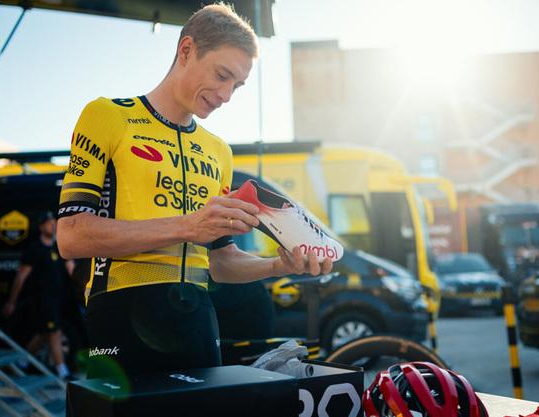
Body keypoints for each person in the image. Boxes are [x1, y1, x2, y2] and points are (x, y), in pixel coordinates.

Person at [56, 3, 333, 380]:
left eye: (237, 85)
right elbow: (71, 236)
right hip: (122, 315)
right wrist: (187, 226)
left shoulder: (219, 150)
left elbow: (219, 262)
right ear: (186, 50)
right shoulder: (108, 116)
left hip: (199, 320)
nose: (227, 95)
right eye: (222, 75)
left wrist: (277, 266)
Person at [3, 211, 74, 380]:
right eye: (49, 223)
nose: (53, 225)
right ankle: (63, 372)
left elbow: (71, 269)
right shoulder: (34, 249)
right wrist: (11, 302)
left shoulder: (58, 248)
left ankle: (21, 362)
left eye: (54, 223)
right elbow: (21, 276)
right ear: (41, 227)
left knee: (44, 334)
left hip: (57, 300)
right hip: (41, 300)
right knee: (54, 332)